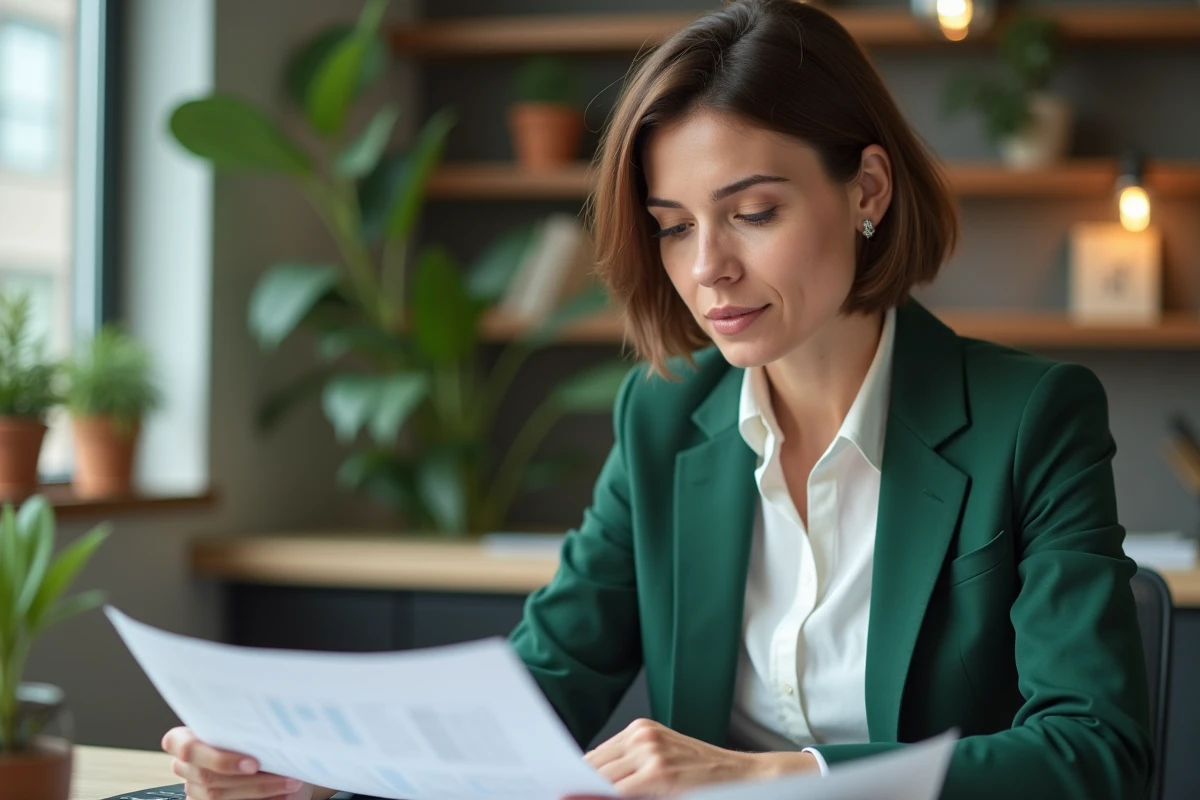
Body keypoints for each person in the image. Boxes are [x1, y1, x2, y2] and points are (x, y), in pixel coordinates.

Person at [162, 1, 1152, 798]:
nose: (709, 267)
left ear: (868, 191)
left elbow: (1094, 752)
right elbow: (544, 683)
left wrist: (775, 776)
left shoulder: (1033, 416)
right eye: (674, 227)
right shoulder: (666, 413)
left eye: (753, 212)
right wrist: (314, 769)